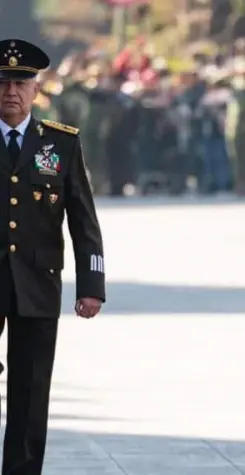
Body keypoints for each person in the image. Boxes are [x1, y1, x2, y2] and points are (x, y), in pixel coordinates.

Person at [0, 39, 106, 474]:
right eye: (3, 83)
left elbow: (83, 219)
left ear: (36, 89)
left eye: (20, 83)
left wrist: (91, 285)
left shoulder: (60, 145)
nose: (11, 91)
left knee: (31, 386)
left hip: (37, 281)